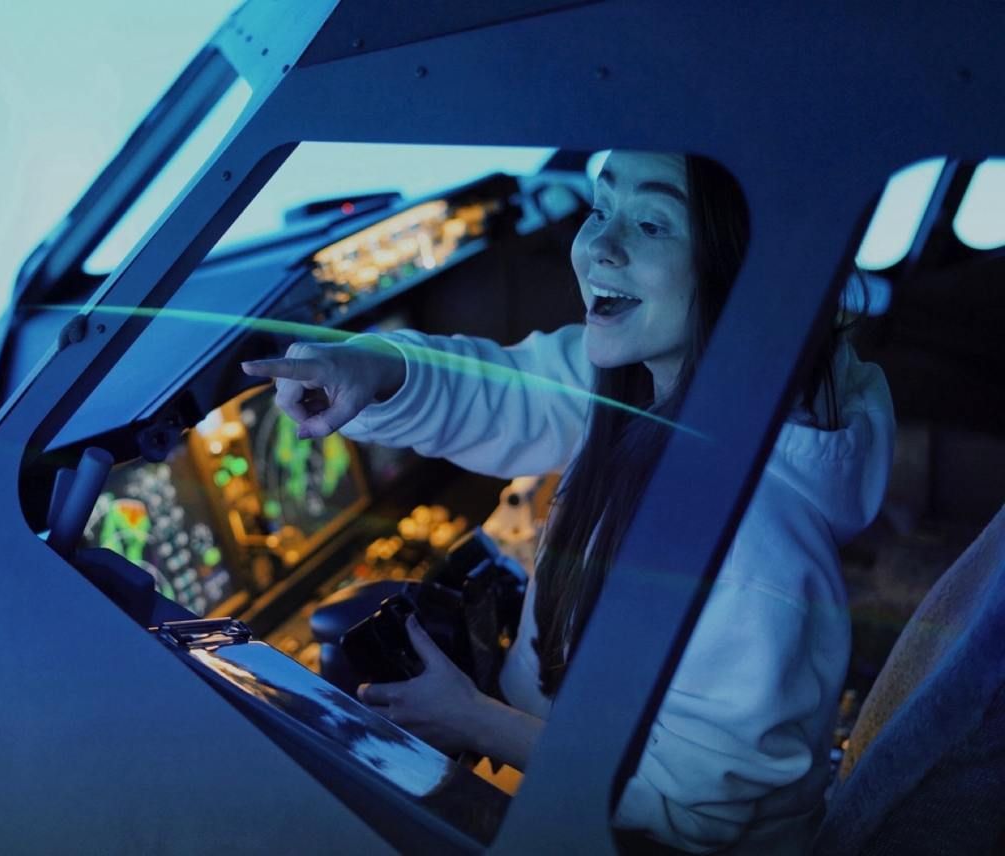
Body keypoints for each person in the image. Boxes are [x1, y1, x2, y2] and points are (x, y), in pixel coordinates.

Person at [242, 151, 895, 853]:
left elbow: (694, 817)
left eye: (651, 223)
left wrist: (474, 719)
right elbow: (512, 389)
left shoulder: (751, 549)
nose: (599, 246)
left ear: (745, 271)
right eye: (600, 207)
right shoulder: (663, 383)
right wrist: (377, 368)